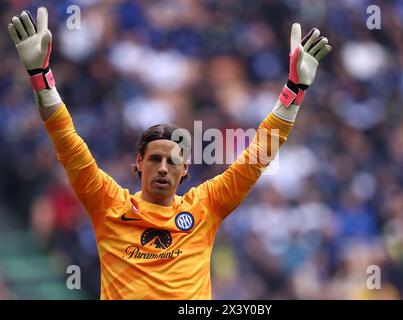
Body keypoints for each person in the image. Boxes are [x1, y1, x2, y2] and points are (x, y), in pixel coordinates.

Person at [8, 7, 331, 299]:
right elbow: (69, 144)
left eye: (173, 160)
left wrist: (294, 90)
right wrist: (40, 78)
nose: (163, 168)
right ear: (138, 163)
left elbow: (257, 157)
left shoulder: (206, 206)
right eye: (154, 159)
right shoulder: (108, 203)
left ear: (186, 168)